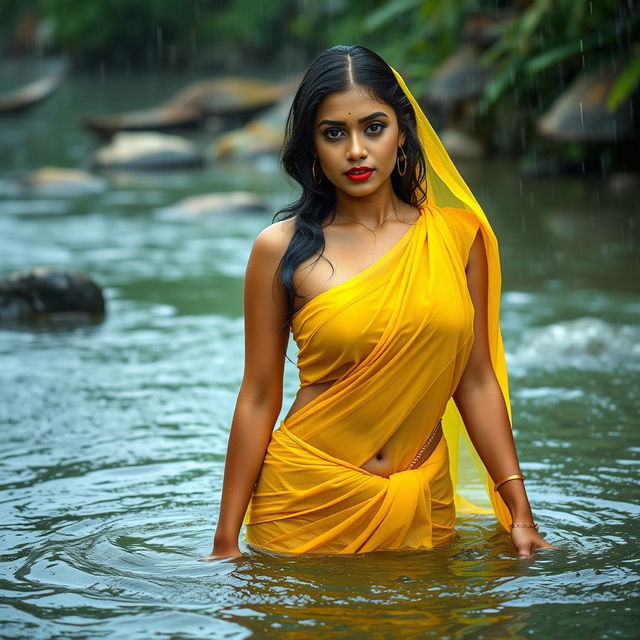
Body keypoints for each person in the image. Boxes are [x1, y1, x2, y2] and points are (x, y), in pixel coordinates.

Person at [202, 44, 555, 560]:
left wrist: (520, 516)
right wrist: (225, 541)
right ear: (312, 146)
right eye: (333, 134)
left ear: (402, 131)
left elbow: (475, 380)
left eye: (373, 127)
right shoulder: (280, 249)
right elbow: (258, 396)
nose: (356, 151)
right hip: (305, 500)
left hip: (422, 502)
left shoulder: (459, 239)